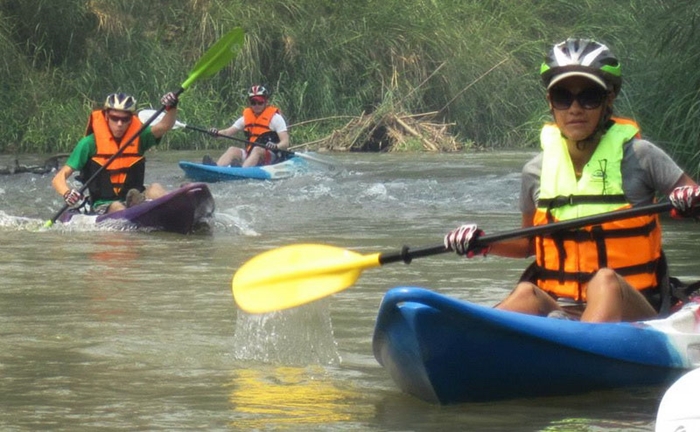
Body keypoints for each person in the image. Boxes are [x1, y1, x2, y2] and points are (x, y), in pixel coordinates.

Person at [444, 38, 700, 323]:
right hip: (560, 306)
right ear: (551, 103)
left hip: (634, 308)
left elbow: (695, 197)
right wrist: (483, 242)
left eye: (589, 96)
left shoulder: (641, 156)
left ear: (609, 99)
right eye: (563, 97)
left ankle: (577, 346)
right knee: (527, 292)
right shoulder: (535, 171)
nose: (574, 109)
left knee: (605, 281)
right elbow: (529, 244)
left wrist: (689, 202)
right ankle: (470, 340)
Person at [52, 91, 179, 214]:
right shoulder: (89, 143)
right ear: (106, 116)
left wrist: (171, 107)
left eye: (125, 119)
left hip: (135, 196)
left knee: (155, 188)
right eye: (115, 118)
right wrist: (67, 193)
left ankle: (175, 208)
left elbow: (164, 126)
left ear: (131, 118)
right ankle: (132, 211)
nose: (119, 124)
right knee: (117, 206)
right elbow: (58, 178)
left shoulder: (139, 136)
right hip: (103, 204)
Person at [202, 85, 290, 167]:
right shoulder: (246, 118)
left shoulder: (276, 118)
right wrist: (216, 133)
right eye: (253, 102)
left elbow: (285, 142)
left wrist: (276, 146)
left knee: (257, 149)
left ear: (266, 102)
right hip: (251, 154)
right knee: (232, 149)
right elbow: (227, 132)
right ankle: (217, 168)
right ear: (250, 103)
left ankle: (242, 171)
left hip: (272, 156)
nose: (256, 105)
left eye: (260, 102)